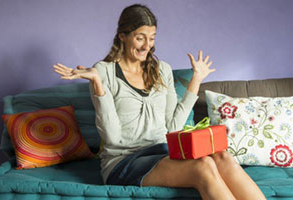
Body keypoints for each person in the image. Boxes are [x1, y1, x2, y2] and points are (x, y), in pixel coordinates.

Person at [53, 4, 266, 200]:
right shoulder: (103, 72)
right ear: (122, 36)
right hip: (123, 161)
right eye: (140, 38)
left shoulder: (162, 69)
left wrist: (196, 79)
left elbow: (173, 127)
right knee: (203, 167)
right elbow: (113, 138)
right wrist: (98, 86)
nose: (147, 45)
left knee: (222, 157)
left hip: (162, 151)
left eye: (152, 38)